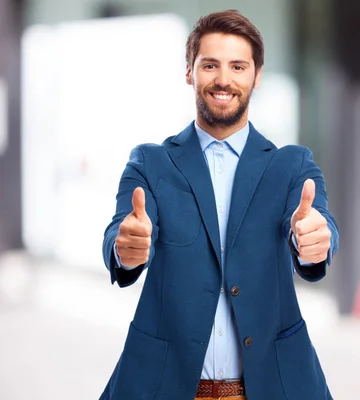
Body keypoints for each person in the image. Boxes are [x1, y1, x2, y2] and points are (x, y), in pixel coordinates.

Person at [99, 9, 339, 400]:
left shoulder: (291, 165)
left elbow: (318, 223)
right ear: (190, 72)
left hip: (272, 386)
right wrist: (127, 249)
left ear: (257, 76)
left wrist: (314, 243)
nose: (223, 80)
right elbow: (122, 230)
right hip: (167, 387)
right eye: (210, 65)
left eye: (238, 66)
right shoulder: (151, 162)